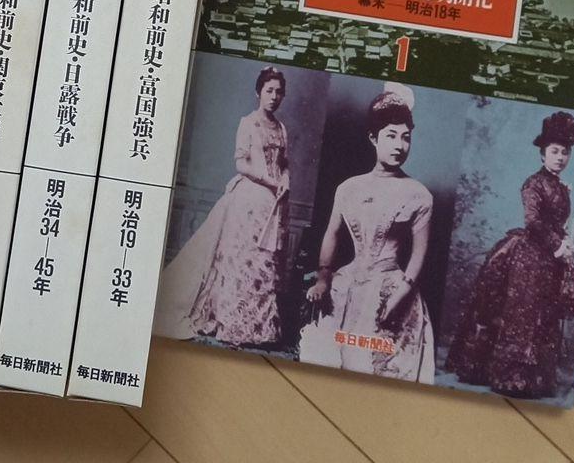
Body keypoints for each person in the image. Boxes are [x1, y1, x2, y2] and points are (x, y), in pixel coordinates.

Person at [299, 85, 435, 382]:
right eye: (391, 136)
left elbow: (419, 253)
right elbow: (332, 234)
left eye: (406, 137)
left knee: (378, 367)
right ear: (373, 138)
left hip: (392, 288)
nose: (400, 145)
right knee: (329, 362)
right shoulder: (349, 188)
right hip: (347, 283)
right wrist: (323, 278)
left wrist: (401, 293)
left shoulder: (418, 194)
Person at [447, 111, 574, 400]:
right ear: (542, 154)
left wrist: (566, 243)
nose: (560, 157)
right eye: (555, 151)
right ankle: (510, 378)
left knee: (544, 315)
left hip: (551, 260)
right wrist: (558, 246)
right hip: (529, 258)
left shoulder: (561, 187)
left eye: (565, 152)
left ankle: (536, 381)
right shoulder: (533, 184)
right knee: (523, 315)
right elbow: (533, 222)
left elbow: (556, 223)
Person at [154, 66, 290, 347]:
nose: (274, 97)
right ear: (258, 92)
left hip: (274, 204)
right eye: (269, 91)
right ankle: (234, 323)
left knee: (266, 263)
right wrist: (270, 181)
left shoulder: (281, 128)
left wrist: (285, 180)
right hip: (249, 199)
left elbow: (284, 163)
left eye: (279, 92)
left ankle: (260, 329)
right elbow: (241, 163)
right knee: (243, 261)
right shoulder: (248, 123)